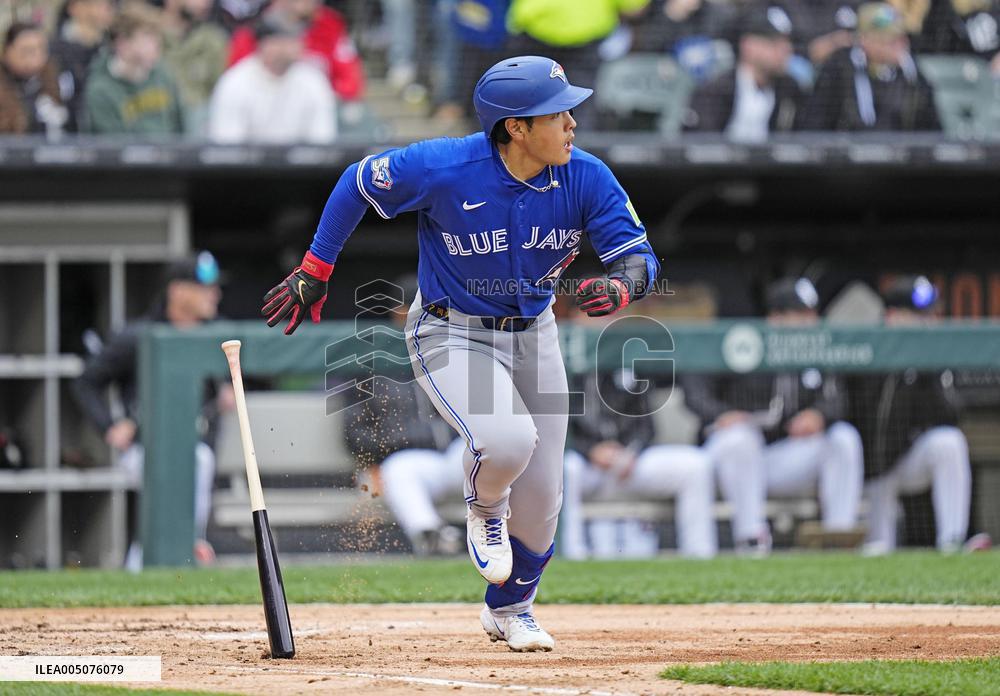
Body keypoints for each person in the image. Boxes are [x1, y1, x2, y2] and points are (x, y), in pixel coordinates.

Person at [260, 55, 659, 651]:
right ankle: (484, 508)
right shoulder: (446, 164)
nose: (573, 122)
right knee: (505, 441)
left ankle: (510, 608)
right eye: (557, 113)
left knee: (547, 492)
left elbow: (640, 256)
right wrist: (316, 267)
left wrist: (623, 284)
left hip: (534, 330)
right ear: (515, 128)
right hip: (451, 330)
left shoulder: (585, 174)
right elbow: (357, 182)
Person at [681, 277, 864, 554]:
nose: (809, 322)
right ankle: (752, 541)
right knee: (741, 439)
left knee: (843, 438)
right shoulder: (744, 342)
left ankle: (838, 539)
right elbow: (694, 390)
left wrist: (818, 414)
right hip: (729, 459)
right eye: (800, 314)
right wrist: (722, 414)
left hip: (777, 460)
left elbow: (838, 398)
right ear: (776, 317)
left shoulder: (817, 351)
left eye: (811, 314)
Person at [72, 252, 232, 567]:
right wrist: (109, 425)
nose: (214, 294)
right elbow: (86, 382)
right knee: (189, 467)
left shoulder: (215, 335)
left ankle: (175, 550)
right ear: (177, 291)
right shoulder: (139, 336)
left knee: (197, 459)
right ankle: (189, 544)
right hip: (144, 447)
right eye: (204, 286)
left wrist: (225, 389)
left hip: (197, 446)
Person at [855, 275, 990, 554]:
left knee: (948, 442)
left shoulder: (933, 358)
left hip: (906, 460)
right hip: (868, 472)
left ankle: (952, 541)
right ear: (893, 317)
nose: (929, 322)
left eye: (930, 314)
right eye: (919, 315)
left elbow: (950, 413)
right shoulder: (864, 351)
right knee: (878, 551)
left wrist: (923, 369)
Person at [343, 276, 465, 556]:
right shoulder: (370, 362)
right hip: (408, 461)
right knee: (398, 470)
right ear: (398, 312)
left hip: (456, 458)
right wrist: (377, 459)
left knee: (497, 451)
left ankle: (507, 538)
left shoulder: (453, 351)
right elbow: (352, 430)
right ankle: (433, 537)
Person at [561, 361, 718, 560]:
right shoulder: (565, 362)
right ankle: (571, 555)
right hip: (586, 466)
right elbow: (554, 427)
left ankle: (700, 555)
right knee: (568, 468)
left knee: (696, 465)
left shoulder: (628, 360)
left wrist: (630, 452)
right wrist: (590, 450)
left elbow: (647, 427)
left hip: (630, 463)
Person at [798, 2, 941, 131]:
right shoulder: (840, 70)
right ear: (866, 40)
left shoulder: (911, 75)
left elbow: (931, 129)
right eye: (889, 40)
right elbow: (814, 126)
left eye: (901, 38)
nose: (900, 45)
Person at [505, 0, 651, 127]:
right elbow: (634, 8)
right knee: (579, 110)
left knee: (525, 107)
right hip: (581, 43)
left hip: (534, 33)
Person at [208, 15, 336, 144]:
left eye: (295, 39)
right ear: (264, 45)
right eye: (284, 40)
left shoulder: (313, 80)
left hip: (304, 163)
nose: (294, 46)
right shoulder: (235, 82)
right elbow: (227, 145)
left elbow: (322, 142)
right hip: (248, 163)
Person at [685, 4, 804, 141]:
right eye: (773, 42)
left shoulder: (790, 90)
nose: (786, 50)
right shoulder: (716, 90)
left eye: (788, 43)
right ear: (747, 45)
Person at [227, 0, 364, 101]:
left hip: (319, 112)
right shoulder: (255, 28)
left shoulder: (331, 25)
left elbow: (351, 82)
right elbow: (236, 83)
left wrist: (321, 97)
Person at [82, 1, 185, 135]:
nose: (157, 44)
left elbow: (180, 132)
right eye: (148, 37)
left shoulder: (163, 76)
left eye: (157, 36)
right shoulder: (100, 90)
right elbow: (113, 146)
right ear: (122, 44)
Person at [161, 0, 229, 135]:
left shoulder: (213, 40)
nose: (204, 4)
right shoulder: (147, 34)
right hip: (156, 119)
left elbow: (219, 91)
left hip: (198, 126)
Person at [50, 0, 115, 132]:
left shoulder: (112, 49)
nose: (106, 9)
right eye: (97, 4)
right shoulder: (53, 52)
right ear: (74, 8)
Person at [0, 22, 68, 136]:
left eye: (41, 50)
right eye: (27, 50)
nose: (35, 57)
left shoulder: (55, 77)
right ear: (7, 50)